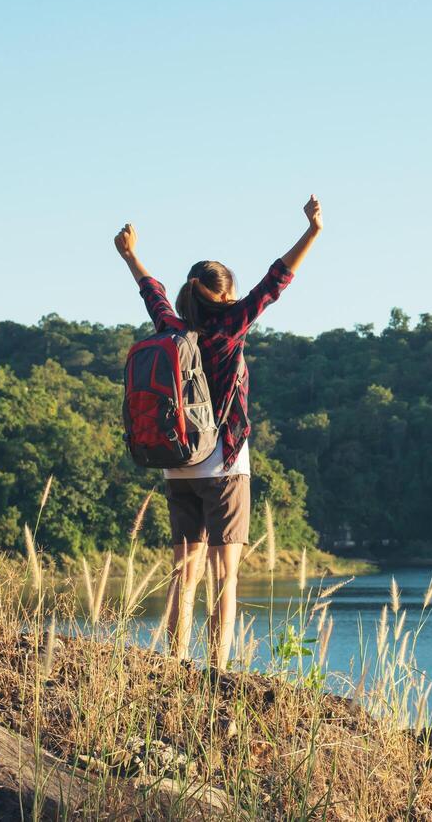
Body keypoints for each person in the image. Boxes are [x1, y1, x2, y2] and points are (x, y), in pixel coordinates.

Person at [113, 195, 323, 668]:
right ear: (226, 297)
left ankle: (174, 663)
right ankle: (218, 673)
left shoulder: (172, 328)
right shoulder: (231, 326)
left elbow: (153, 293)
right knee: (223, 578)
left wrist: (130, 253)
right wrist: (312, 230)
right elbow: (276, 281)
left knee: (183, 573)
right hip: (225, 463)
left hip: (177, 464)